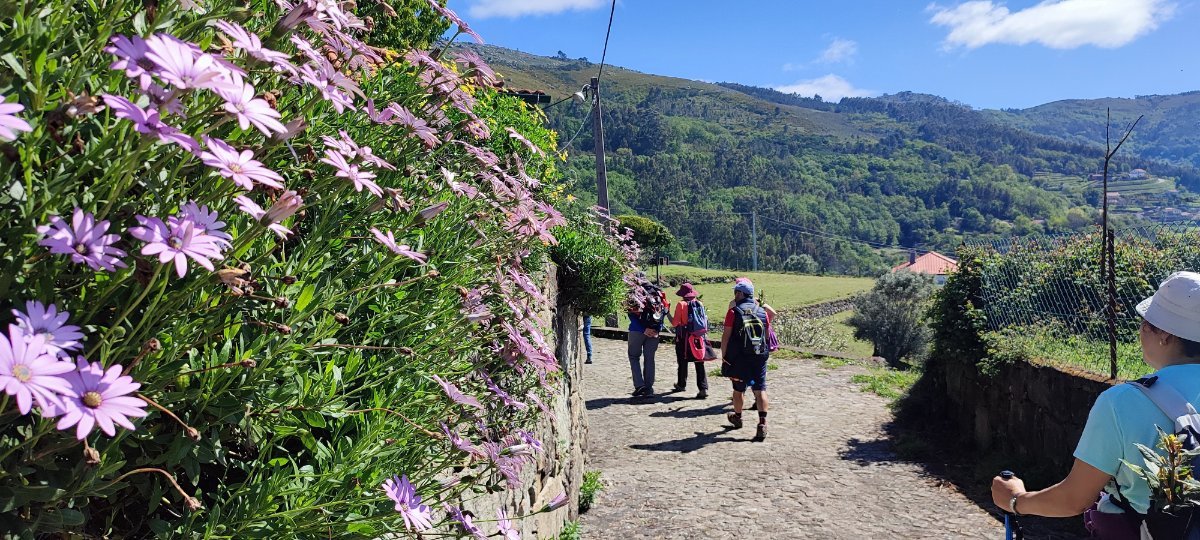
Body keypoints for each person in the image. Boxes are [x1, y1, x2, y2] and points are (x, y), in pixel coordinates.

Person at [990, 271, 1200, 537]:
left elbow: (1073, 500)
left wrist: (1015, 500)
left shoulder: (1124, 402)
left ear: (1166, 335)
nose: (1141, 330)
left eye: (1146, 322)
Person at [721, 279, 775, 441]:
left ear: (740, 294)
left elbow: (726, 337)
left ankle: (738, 417)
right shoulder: (762, 311)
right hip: (759, 356)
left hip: (739, 358)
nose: (734, 295)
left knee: (738, 390)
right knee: (760, 389)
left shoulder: (733, 312)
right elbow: (766, 336)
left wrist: (725, 357)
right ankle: (762, 424)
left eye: (735, 292)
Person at [628, 274, 669, 398]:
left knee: (634, 356)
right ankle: (649, 388)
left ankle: (639, 385)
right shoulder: (658, 293)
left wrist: (643, 329)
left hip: (637, 331)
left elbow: (631, 314)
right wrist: (657, 329)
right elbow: (664, 312)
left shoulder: (634, 292)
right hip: (654, 331)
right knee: (650, 358)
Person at [671, 282, 709, 399]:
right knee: (699, 362)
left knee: (682, 361)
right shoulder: (699, 303)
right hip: (698, 337)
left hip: (684, 338)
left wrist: (667, 313)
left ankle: (681, 384)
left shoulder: (681, 304)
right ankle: (703, 388)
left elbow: (675, 323)